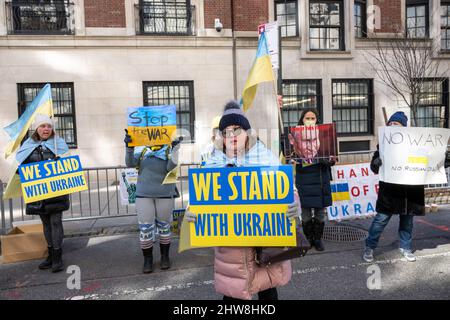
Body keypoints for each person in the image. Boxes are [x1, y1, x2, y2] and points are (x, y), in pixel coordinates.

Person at [185, 101, 298, 300]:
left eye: (236, 129)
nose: (231, 135)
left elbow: (287, 188)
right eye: (226, 131)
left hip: (265, 243)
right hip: (231, 248)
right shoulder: (211, 162)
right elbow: (200, 196)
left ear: (247, 132)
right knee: (233, 294)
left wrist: (294, 202)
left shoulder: (267, 158)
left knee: (268, 292)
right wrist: (191, 211)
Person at [363, 111, 450, 262]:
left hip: (410, 193)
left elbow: (430, 162)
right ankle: (370, 247)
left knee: (407, 222)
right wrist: (376, 163)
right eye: (390, 124)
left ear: (404, 127)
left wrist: (442, 160)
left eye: (396, 124)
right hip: (390, 193)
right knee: (380, 221)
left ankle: (405, 247)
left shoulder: (418, 145)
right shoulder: (383, 147)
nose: (392, 126)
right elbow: (374, 168)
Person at [16, 114, 70, 273]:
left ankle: (57, 256)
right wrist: (21, 171)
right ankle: (50, 254)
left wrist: (60, 161)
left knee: (55, 222)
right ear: (37, 128)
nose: (46, 129)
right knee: (46, 223)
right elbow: (20, 167)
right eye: (42, 126)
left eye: (49, 126)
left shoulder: (58, 144)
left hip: (56, 191)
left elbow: (69, 165)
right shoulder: (28, 144)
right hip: (39, 193)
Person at [124, 130, 180, 273]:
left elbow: (170, 167)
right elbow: (130, 163)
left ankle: (165, 257)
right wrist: (129, 146)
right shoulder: (141, 148)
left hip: (165, 194)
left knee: (164, 227)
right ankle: (147, 260)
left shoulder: (168, 148)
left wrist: (175, 149)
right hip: (144, 194)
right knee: (145, 229)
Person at [288, 108, 335, 251]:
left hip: (321, 178)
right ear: (302, 120)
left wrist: (329, 161)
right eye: (307, 118)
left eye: (312, 118)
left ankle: (318, 238)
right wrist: (291, 158)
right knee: (306, 212)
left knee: (320, 212)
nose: (309, 120)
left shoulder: (326, 137)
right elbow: (288, 157)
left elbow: (333, 158)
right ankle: (309, 238)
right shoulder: (294, 138)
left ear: (317, 120)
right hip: (304, 178)